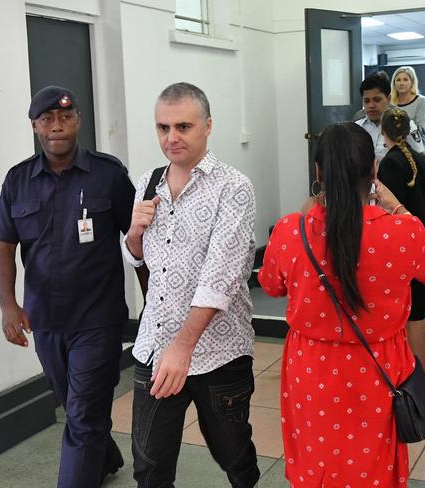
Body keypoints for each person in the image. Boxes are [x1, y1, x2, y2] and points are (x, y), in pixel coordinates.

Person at [258, 122, 425, 487]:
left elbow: (270, 285)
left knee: (315, 462)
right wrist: (401, 210)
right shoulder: (402, 232)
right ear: (374, 170)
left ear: (318, 173)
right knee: (372, 466)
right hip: (379, 371)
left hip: (310, 371)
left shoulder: (290, 231)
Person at [0, 86, 135, 487]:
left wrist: (156, 306)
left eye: (66, 118)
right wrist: (8, 306)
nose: (58, 127)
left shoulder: (108, 175)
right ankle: (104, 457)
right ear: (35, 126)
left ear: (78, 121)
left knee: (84, 414)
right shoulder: (17, 181)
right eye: (48, 119)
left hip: (98, 318)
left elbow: (140, 242)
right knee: (77, 407)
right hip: (45, 320)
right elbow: (4, 247)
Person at [122, 82, 260, 488]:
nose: (171, 137)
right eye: (163, 127)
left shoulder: (232, 187)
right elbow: (136, 256)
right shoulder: (149, 181)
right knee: (149, 465)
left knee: (233, 454)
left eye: (183, 126)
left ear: (208, 126)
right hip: (155, 345)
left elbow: (222, 276)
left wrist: (183, 349)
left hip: (217, 351)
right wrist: (133, 233)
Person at [377, 107, 425, 391]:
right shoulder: (423, 161)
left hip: (400, 241)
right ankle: (423, 377)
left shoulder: (389, 163)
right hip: (424, 236)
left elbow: (388, 207)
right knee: (419, 313)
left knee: (409, 314)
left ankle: (411, 379)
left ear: (383, 131)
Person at [355, 72, 425, 162]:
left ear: (388, 99)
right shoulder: (356, 128)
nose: (371, 105)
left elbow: (420, 159)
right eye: (366, 101)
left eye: (377, 100)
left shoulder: (404, 125)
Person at [391, 66, 425, 154]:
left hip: (420, 149)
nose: (401, 83)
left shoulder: (421, 101)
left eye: (405, 79)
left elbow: (421, 129)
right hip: (397, 150)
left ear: (412, 82)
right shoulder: (390, 103)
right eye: (398, 80)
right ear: (394, 83)